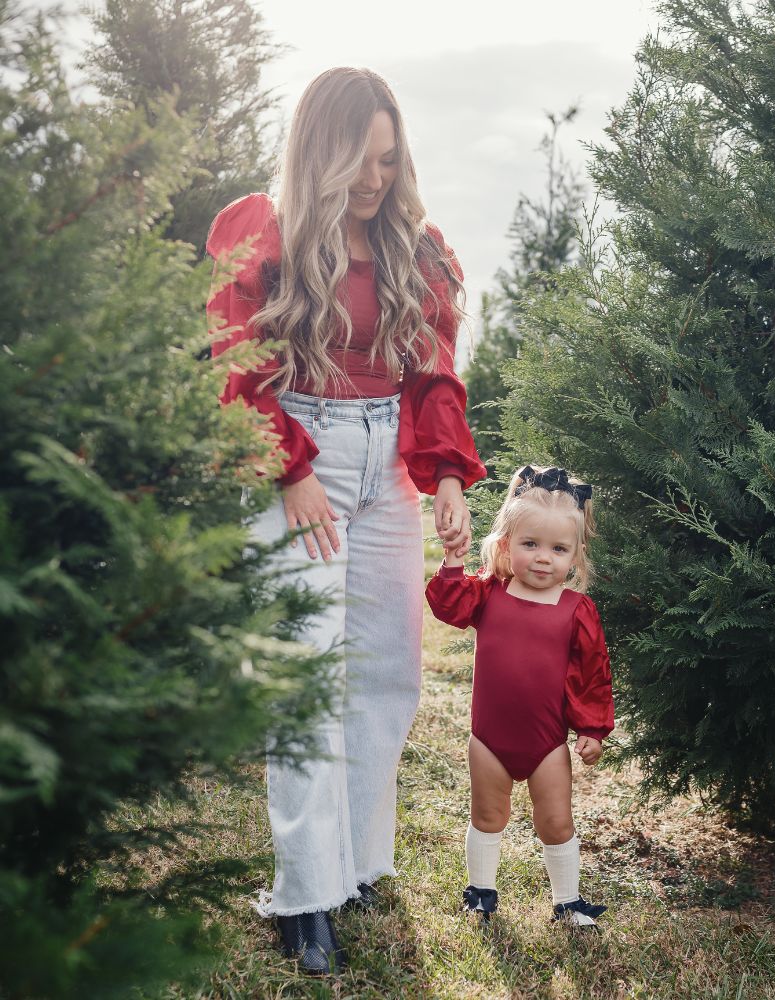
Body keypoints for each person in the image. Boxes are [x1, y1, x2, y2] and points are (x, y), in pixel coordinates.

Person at [205, 67, 485, 973]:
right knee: (304, 680)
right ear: (317, 150)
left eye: (388, 159)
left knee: (386, 674)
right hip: (304, 453)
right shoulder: (265, 230)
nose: (374, 180)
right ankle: (303, 895)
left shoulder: (414, 244)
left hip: (384, 464)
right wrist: (289, 470)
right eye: (358, 161)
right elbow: (234, 360)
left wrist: (444, 473)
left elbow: (432, 369)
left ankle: (360, 865)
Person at [426, 465, 614, 929]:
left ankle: (567, 902)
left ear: (575, 556)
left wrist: (592, 728)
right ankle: (481, 893)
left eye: (558, 549)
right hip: (488, 738)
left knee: (556, 822)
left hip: (547, 742)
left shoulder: (577, 611)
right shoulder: (489, 594)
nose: (544, 558)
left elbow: (593, 675)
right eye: (531, 544)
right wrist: (453, 562)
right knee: (488, 814)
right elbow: (447, 605)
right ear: (507, 543)